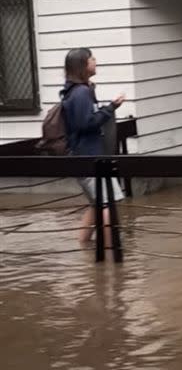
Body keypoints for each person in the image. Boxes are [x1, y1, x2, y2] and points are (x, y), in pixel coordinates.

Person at [60, 48, 127, 246]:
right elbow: (86, 123)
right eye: (92, 59)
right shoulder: (80, 93)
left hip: (83, 156)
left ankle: (84, 246)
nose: (95, 61)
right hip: (89, 157)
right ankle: (110, 250)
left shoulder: (75, 90)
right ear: (83, 65)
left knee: (96, 204)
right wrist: (111, 108)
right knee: (107, 203)